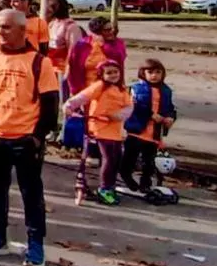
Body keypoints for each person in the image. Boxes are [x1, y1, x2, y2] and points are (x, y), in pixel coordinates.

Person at [0, 9, 60, 266]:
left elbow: (50, 103)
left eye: (7, 27)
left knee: (31, 194)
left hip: (25, 139)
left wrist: (36, 137)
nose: (0, 32)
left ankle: (35, 244)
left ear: (23, 31)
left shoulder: (39, 62)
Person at [66, 59, 131, 206]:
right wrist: (69, 105)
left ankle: (110, 185)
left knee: (116, 158)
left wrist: (119, 115)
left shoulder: (122, 89)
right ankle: (104, 188)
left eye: (116, 72)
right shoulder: (99, 87)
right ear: (102, 75)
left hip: (115, 129)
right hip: (100, 127)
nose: (113, 75)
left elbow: (129, 107)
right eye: (109, 73)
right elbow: (83, 96)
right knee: (108, 157)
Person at [120, 59, 177, 199]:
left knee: (149, 161)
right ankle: (126, 175)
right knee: (130, 158)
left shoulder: (166, 91)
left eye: (158, 72)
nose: (154, 75)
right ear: (143, 73)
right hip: (137, 131)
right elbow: (136, 106)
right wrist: (151, 115)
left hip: (154, 134)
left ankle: (145, 183)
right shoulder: (137, 88)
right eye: (150, 72)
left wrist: (170, 117)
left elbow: (170, 108)